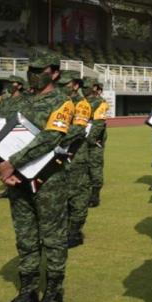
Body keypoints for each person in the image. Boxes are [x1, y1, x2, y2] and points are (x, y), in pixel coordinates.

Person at [0, 50, 74, 302]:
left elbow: (52, 137)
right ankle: (27, 292)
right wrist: (4, 165)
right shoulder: (22, 100)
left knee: (52, 238)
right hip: (18, 180)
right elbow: (3, 134)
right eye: (31, 70)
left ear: (54, 73)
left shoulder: (62, 101)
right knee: (25, 236)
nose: (34, 75)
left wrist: (13, 162)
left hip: (49, 180)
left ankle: (53, 296)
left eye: (40, 70)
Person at [57, 71, 92, 249]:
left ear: (76, 85)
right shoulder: (59, 102)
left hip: (76, 156)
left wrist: (53, 139)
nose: (63, 87)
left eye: (66, 84)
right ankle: (62, 230)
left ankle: (75, 233)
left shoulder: (82, 104)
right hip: (57, 156)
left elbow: (79, 128)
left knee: (77, 196)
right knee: (60, 195)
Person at [0, 75, 27, 199]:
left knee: (16, 163)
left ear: (19, 85)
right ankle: (9, 189)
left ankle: (21, 188)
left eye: (13, 83)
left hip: (16, 135)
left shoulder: (25, 101)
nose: (10, 85)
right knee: (2, 162)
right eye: (9, 83)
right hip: (3, 135)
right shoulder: (5, 100)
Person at [86, 80, 108, 207]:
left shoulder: (100, 102)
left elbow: (99, 124)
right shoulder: (81, 101)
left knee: (95, 166)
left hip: (95, 140)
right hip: (82, 138)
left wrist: (92, 138)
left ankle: (95, 196)